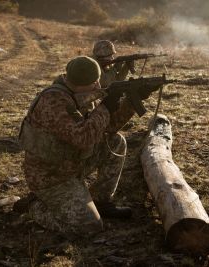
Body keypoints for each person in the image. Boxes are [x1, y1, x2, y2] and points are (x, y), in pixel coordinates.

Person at [19, 56, 157, 238]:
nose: (98, 86)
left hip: (72, 163)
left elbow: (108, 127)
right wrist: (105, 108)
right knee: (89, 226)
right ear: (79, 83)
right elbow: (83, 138)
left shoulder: (80, 94)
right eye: (94, 82)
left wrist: (133, 101)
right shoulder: (52, 102)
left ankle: (102, 201)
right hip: (51, 177)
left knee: (116, 141)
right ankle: (34, 206)